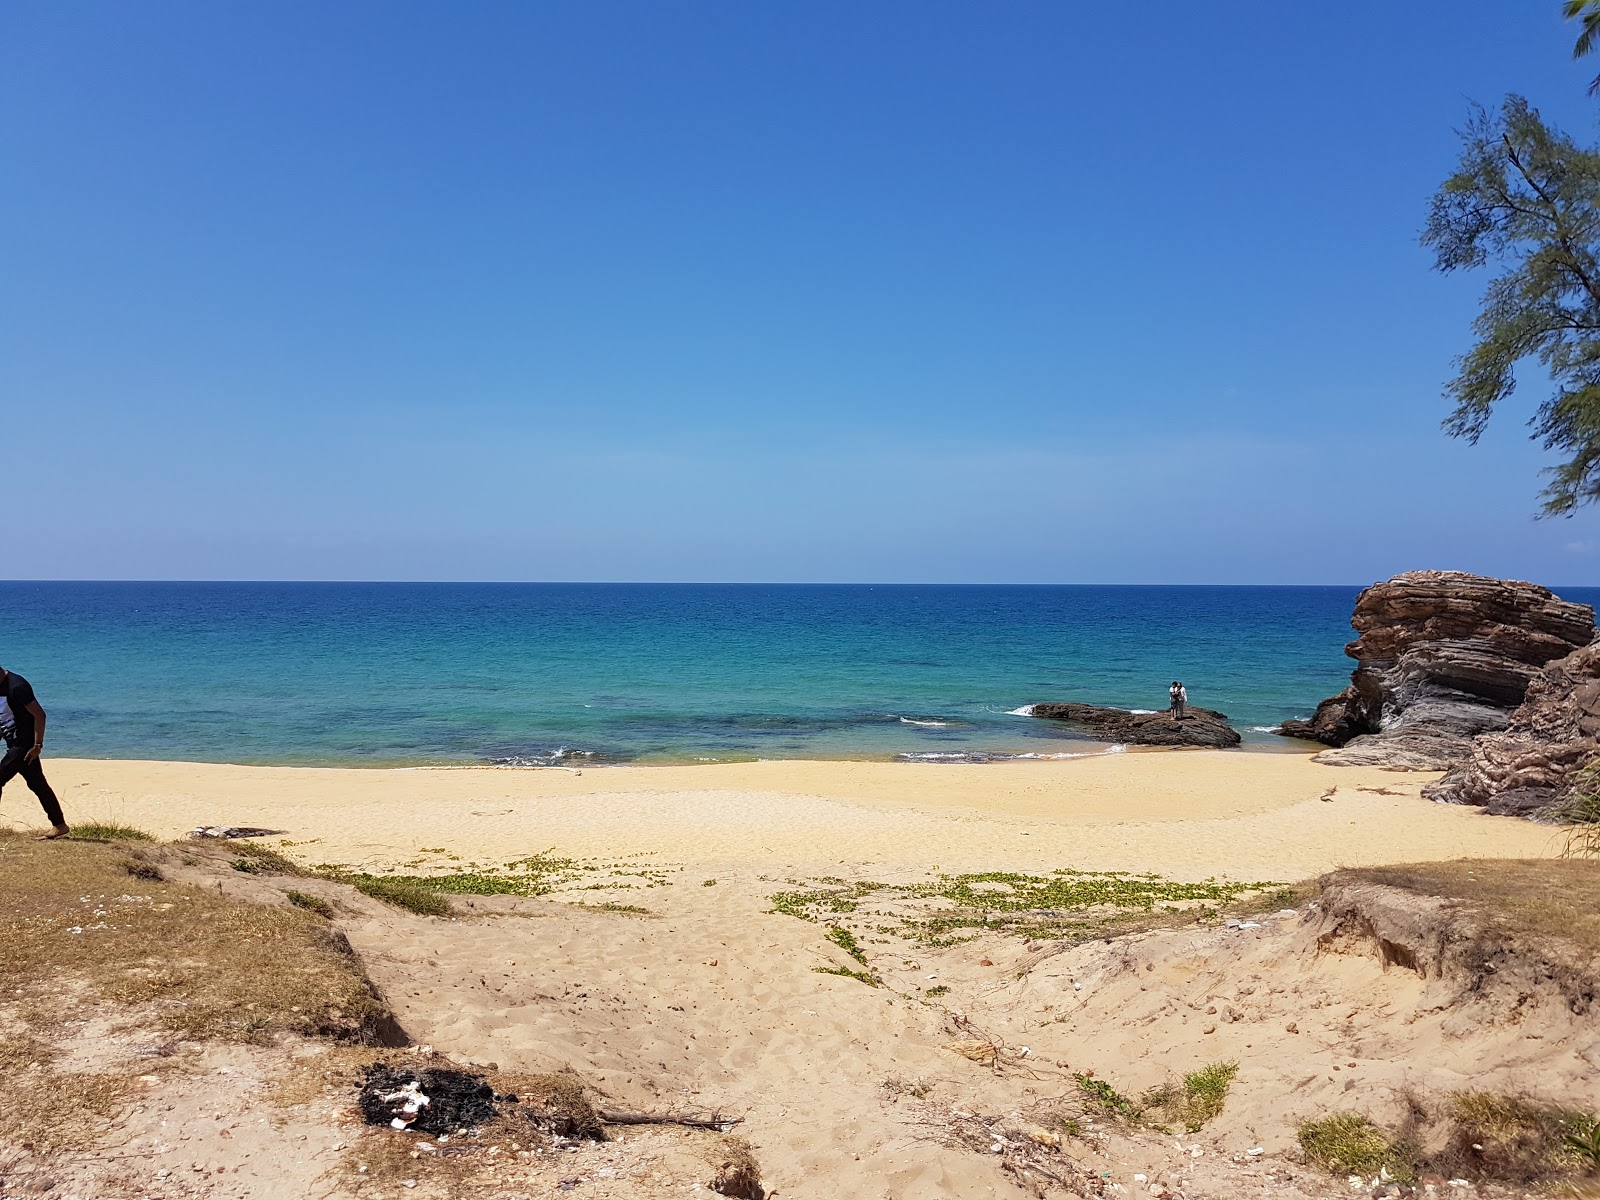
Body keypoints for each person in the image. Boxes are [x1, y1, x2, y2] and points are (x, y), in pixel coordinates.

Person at [0, 666, 67, 839]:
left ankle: (59, 824)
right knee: (37, 784)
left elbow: (40, 715)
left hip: (25, 745)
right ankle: (60, 825)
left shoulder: (17, 687)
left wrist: (37, 745)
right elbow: (5, 717)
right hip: (14, 742)